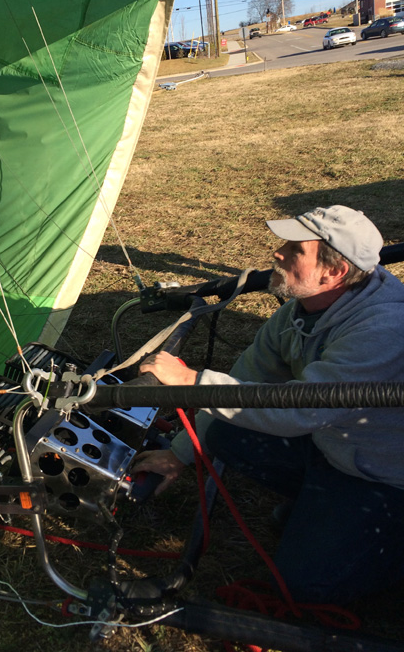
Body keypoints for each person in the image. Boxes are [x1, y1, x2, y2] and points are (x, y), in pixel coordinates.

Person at [133, 205, 404, 605]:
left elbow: (299, 409)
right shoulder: (303, 309)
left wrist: (191, 381)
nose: (277, 253)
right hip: (335, 446)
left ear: (334, 272)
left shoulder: (382, 328)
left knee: (305, 584)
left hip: (384, 475)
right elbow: (251, 377)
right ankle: (320, 504)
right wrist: (179, 455)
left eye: (295, 249)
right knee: (226, 432)